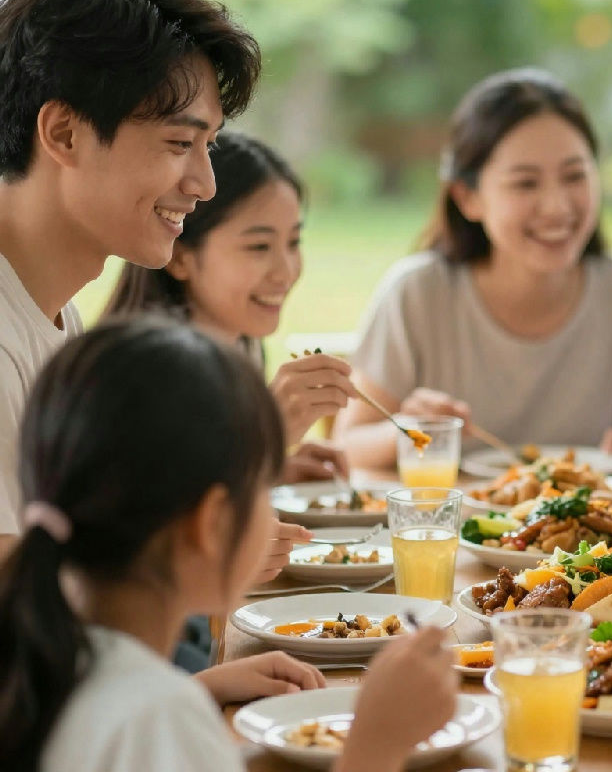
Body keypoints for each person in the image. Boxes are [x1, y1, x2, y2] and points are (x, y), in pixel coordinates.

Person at [0, 320, 458, 771]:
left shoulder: (48, 666)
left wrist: (201, 687)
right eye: (265, 485)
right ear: (212, 523)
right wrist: (376, 745)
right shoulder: (161, 722)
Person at [0, 0, 259, 556]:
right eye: (178, 144)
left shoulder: (53, 309)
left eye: (208, 146)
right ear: (64, 133)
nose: (206, 185)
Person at [335, 68, 612, 472]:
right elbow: (347, 446)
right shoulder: (419, 293)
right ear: (468, 197)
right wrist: (407, 429)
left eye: (575, 176)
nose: (557, 207)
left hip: (591, 535)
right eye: (526, 183)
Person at [102, 132, 356, 483]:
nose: (286, 271)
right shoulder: (140, 378)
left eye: (294, 241)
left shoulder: (241, 351)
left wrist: (272, 469)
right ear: (180, 257)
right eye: (259, 246)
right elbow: (151, 512)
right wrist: (264, 436)